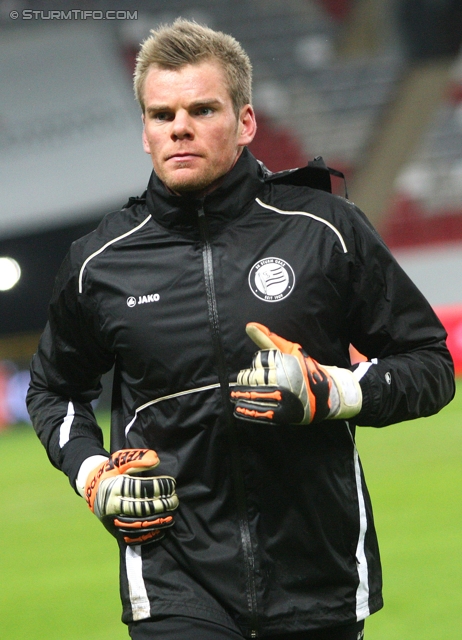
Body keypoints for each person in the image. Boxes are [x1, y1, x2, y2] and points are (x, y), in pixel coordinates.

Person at [27, 18, 455, 640]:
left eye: (202, 108)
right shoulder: (100, 263)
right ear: (144, 132)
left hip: (320, 575)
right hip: (176, 578)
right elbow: (52, 389)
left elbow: (430, 364)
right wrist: (94, 474)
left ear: (247, 122)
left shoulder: (325, 230)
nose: (179, 126)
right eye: (161, 113)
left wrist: (337, 393)